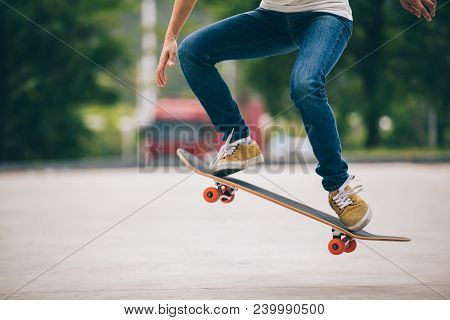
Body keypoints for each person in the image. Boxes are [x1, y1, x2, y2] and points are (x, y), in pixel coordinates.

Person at [156, 0, 436, 231]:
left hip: (326, 16)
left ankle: (340, 189)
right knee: (193, 51)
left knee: (305, 84)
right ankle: (238, 142)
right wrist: (170, 36)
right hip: (271, 18)